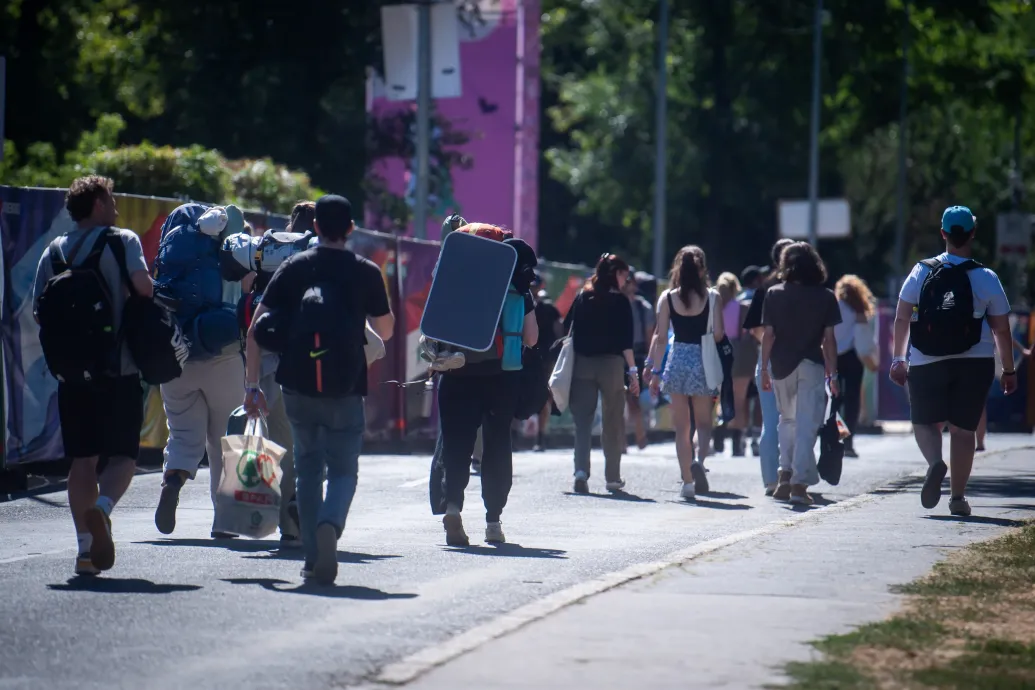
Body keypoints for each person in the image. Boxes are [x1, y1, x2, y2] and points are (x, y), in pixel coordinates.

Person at [244, 194, 394, 584]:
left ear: (315, 227)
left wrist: (252, 385)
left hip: (297, 383)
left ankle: (312, 556)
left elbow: (256, 329)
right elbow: (387, 328)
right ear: (351, 229)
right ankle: (331, 523)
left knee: (307, 468)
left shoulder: (295, 266)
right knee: (343, 470)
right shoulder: (365, 271)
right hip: (346, 384)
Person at [32, 175, 154, 575]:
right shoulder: (122, 241)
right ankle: (102, 509)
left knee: (82, 461)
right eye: (111, 199)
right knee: (123, 457)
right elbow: (143, 288)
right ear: (98, 203)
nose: (116, 207)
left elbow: (39, 311)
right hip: (119, 370)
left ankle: (85, 551)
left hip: (71, 375)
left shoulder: (53, 251)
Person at [891, 206, 1018, 517]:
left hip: (926, 360)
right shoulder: (986, 277)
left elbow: (902, 317)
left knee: (924, 421)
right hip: (974, 363)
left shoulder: (921, 271)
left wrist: (898, 358)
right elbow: (1001, 329)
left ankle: (936, 462)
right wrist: (1008, 369)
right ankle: (958, 498)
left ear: (943, 234)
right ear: (972, 234)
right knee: (963, 431)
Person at [431, 224, 538, 546]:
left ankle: (453, 506)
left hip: (456, 373)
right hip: (501, 376)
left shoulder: (450, 279)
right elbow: (532, 337)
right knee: (496, 446)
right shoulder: (516, 284)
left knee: (456, 445)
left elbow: (432, 327)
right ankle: (493, 521)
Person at [154, 203, 247, 539]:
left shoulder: (170, 254)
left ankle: (173, 480)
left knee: (182, 433)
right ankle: (225, 520)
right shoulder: (229, 250)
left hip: (176, 356)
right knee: (226, 439)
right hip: (222, 354)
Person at [760, 242, 841, 505]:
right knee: (807, 425)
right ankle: (798, 483)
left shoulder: (773, 294)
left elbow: (768, 335)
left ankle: (784, 474)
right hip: (811, 365)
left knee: (787, 420)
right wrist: (833, 375)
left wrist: (763, 368)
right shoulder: (826, 297)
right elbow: (829, 340)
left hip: (781, 365)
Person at [644, 246, 723, 499]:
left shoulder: (667, 298)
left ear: (678, 269)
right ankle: (699, 460)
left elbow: (660, 337)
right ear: (702, 270)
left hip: (677, 361)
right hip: (702, 362)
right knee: (704, 423)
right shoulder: (713, 297)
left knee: (681, 428)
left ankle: (687, 483)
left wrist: (655, 371)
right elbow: (719, 334)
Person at [564, 254, 640, 494]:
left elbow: (567, 328)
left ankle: (580, 472)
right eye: (624, 275)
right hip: (612, 367)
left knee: (583, 422)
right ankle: (612, 477)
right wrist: (634, 372)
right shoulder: (621, 302)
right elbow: (626, 343)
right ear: (616, 274)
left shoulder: (583, 297)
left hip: (583, 365)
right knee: (613, 422)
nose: (626, 280)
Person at [741, 239, 794, 494]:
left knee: (770, 422)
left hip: (768, 360)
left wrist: (769, 342)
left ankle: (771, 479)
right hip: (796, 359)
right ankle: (792, 475)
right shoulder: (803, 287)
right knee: (795, 420)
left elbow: (753, 328)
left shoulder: (765, 287)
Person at [833, 275, 878, 458]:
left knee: (834, 401)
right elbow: (863, 340)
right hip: (853, 357)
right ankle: (848, 443)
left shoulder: (834, 307)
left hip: (834, 357)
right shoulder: (858, 311)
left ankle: (834, 436)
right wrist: (871, 360)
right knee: (852, 402)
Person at [623, 270, 656, 450]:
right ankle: (629, 437)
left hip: (637, 356)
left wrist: (651, 362)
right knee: (619, 400)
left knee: (633, 398)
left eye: (629, 281)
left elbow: (650, 337)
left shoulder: (644, 308)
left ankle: (638, 433)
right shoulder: (614, 304)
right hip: (618, 356)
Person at [735, 266, 764, 456]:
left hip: (741, 353)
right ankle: (755, 436)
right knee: (760, 396)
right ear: (756, 280)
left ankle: (742, 436)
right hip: (759, 350)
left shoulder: (737, 302)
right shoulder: (761, 299)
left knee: (743, 397)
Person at [532, 273, 563, 451]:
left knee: (544, 396)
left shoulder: (547, 309)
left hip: (542, 358)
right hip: (533, 357)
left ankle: (540, 437)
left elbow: (559, 334)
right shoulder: (525, 305)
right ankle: (534, 437)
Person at [714, 272, 743, 454]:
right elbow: (742, 333)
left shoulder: (713, 307)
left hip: (716, 350)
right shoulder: (739, 307)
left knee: (718, 396)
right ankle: (736, 445)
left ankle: (718, 433)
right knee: (738, 400)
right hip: (736, 352)